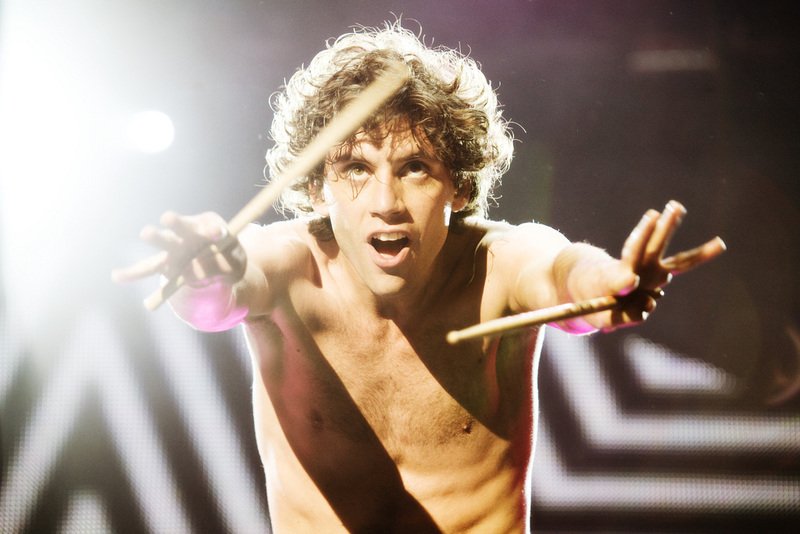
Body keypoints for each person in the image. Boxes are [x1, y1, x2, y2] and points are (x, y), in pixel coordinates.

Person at [113, 22, 725, 533]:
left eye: (414, 168)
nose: (386, 202)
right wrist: (201, 276)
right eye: (355, 168)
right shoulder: (286, 264)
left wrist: (610, 285)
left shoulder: (500, 260)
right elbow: (214, 301)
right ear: (318, 186)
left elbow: (566, 274)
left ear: (458, 184)